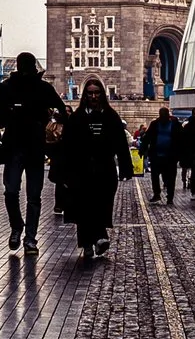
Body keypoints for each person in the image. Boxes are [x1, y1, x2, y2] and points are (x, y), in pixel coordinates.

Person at [0, 52, 65, 253]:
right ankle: (18, 227)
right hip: (17, 147)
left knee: (31, 195)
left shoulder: (40, 88)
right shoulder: (8, 88)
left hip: (33, 147)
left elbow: (62, 110)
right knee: (13, 191)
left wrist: (52, 119)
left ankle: (29, 237)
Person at [53, 78, 136, 258]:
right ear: (85, 95)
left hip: (104, 169)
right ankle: (89, 242)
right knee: (84, 206)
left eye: (96, 93)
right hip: (81, 170)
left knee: (101, 203)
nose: (93, 96)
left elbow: (121, 144)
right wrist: (63, 173)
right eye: (90, 93)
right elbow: (67, 146)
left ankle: (98, 237)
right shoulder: (76, 118)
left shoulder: (111, 116)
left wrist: (125, 168)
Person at [143, 107, 179, 203]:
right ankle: (157, 194)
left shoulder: (174, 124)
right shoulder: (155, 124)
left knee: (171, 177)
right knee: (155, 176)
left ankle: (170, 196)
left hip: (170, 156)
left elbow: (181, 138)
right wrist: (143, 149)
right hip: (156, 155)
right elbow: (147, 137)